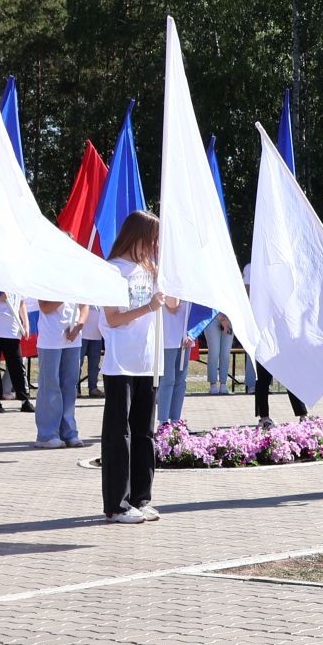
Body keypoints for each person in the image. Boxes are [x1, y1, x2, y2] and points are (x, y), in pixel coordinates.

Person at [100, 210, 172, 524]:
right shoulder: (113, 270)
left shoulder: (151, 270)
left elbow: (173, 306)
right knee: (120, 434)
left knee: (145, 433)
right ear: (138, 236)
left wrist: (164, 276)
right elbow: (113, 318)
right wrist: (147, 306)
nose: (155, 244)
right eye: (152, 238)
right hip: (120, 363)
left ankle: (141, 499)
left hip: (147, 362)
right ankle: (117, 504)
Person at [244, 261, 307, 429]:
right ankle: (264, 417)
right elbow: (248, 295)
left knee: (291, 373)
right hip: (263, 328)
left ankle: (303, 415)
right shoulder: (252, 267)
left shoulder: (284, 266)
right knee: (263, 376)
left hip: (283, 327)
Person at [34, 297, 86, 449]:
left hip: (73, 338)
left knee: (69, 386)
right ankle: (47, 434)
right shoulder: (49, 275)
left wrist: (79, 325)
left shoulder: (77, 277)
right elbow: (45, 307)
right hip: (51, 338)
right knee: (50, 385)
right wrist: (67, 293)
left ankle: (69, 432)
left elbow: (85, 305)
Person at [0, 290, 34, 414]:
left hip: (12, 331)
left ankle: (24, 399)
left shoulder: (15, 281)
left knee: (17, 366)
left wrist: (26, 324)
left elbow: (21, 303)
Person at [155, 293, 194, 426]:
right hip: (168, 335)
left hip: (186, 335)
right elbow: (173, 305)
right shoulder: (166, 279)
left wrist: (192, 333)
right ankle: (163, 421)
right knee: (168, 379)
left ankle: (176, 420)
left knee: (180, 380)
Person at [203, 311, 234, 394]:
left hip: (229, 318)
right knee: (214, 352)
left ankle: (223, 384)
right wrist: (221, 318)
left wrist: (226, 318)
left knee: (225, 354)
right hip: (211, 317)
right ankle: (213, 384)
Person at [78, 306, 104, 399]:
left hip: (97, 335)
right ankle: (75, 389)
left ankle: (93, 388)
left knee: (94, 365)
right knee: (78, 363)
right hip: (82, 334)